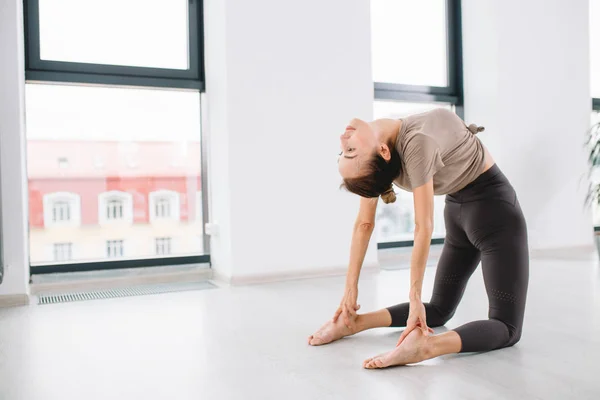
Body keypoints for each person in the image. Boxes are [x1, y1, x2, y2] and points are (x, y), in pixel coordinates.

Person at [308, 108, 529, 369]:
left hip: (458, 212)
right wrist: (403, 298)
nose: (344, 142)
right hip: (493, 210)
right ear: (383, 151)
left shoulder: (388, 157)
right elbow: (420, 226)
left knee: (438, 309)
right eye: (349, 152)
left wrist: (355, 292)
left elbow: (369, 224)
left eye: (344, 152)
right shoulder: (409, 147)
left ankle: (356, 322)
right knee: (507, 325)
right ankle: (426, 346)